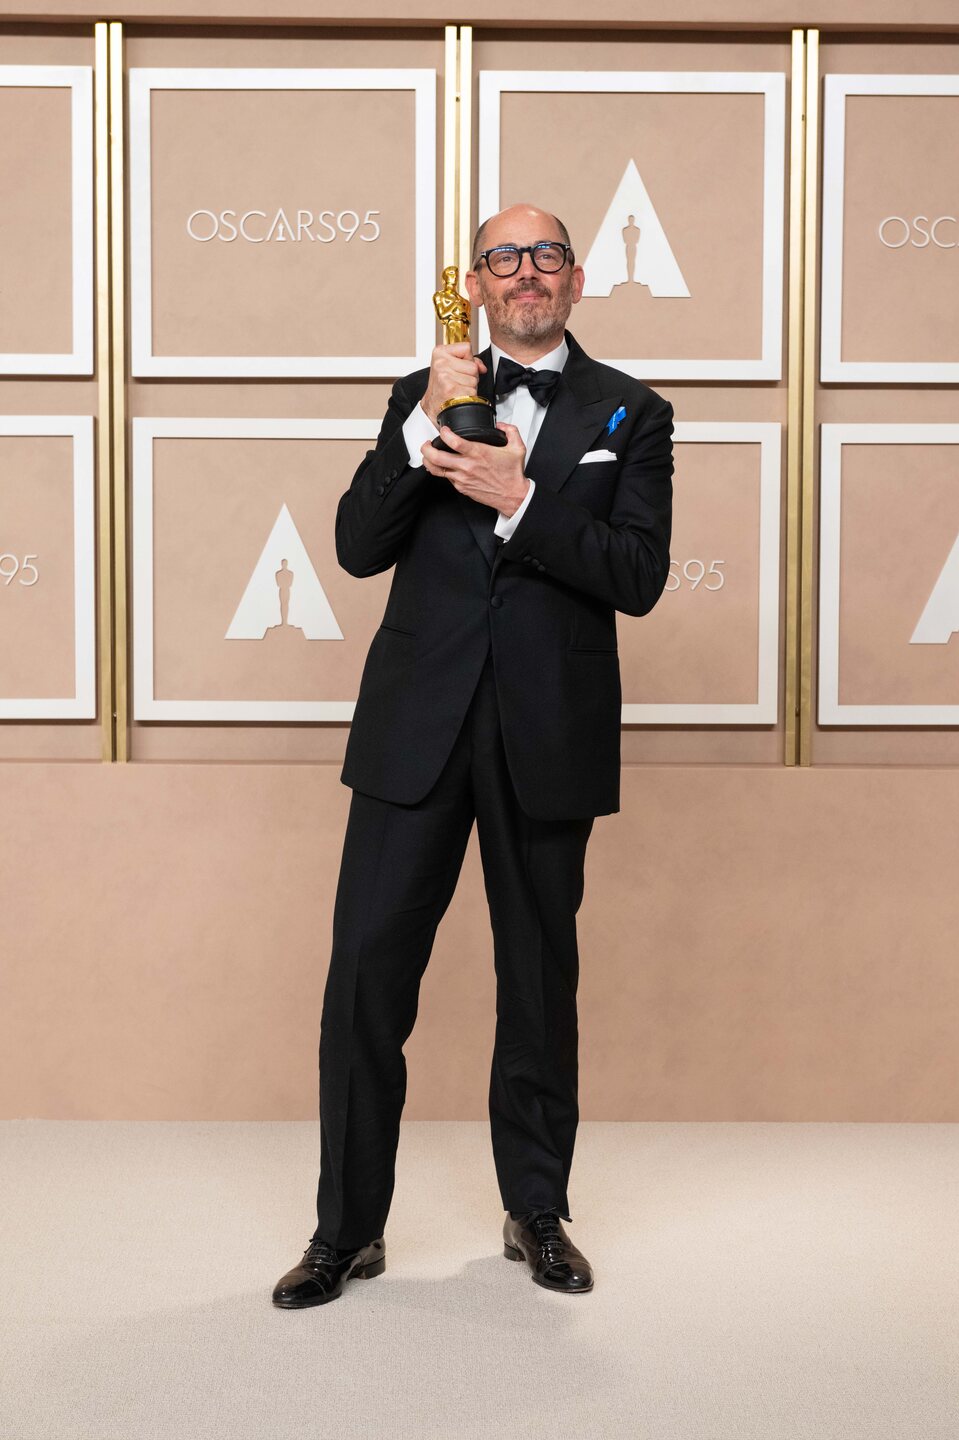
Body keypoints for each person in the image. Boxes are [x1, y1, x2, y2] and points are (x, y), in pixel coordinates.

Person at [272, 203, 674, 1308]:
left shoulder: (631, 412)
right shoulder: (423, 391)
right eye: (505, 258)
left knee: (540, 981)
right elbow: (357, 549)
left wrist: (526, 502)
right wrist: (423, 432)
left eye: (546, 255)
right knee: (364, 976)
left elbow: (637, 574)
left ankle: (537, 1214)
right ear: (479, 286)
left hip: (548, 735)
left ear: (578, 279)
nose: (526, 273)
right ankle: (345, 1231)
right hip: (415, 731)